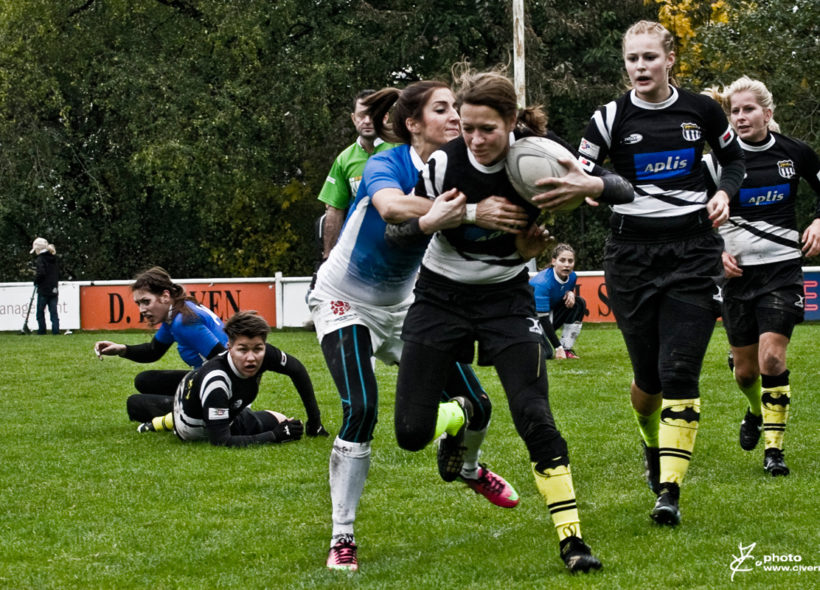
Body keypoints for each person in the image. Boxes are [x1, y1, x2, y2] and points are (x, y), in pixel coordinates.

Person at [388, 67, 633, 573]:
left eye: (487, 129)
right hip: (440, 298)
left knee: (534, 414)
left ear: (513, 122)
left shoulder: (542, 155)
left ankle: (573, 541)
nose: (475, 140)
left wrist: (588, 184)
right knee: (410, 433)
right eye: (466, 127)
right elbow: (399, 235)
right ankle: (459, 420)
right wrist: (449, 216)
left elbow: (623, 190)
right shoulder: (441, 165)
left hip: (507, 300)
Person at [308, 80, 523, 572]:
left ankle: (467, 469)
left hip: (406, 307)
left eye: (458, 110)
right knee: (361, 407)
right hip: (345, 300)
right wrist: (470, 211)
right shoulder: (389, 160)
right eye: (443, 109)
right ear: (413, 124)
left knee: (479, 405)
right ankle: (343, 536)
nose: (455, 118)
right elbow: (391, 208)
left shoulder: (461, 167)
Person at [577, 20, 745, 525]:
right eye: (633, 59)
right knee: (648, 378)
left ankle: (669, 490)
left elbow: (734, 162)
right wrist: (603, 185)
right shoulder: (608, 118)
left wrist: (723, 192)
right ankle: (653, 450)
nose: (641, 67)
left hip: (693, 251)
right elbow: (581, 177)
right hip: (630, 256)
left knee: (679, 370)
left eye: (650, 57)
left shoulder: (703, 110)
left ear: (670, 58)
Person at [703, 76, 820, 476]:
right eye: (734, 111)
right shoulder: (716, 162)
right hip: (736, 280)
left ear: (767, 113)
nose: (740, 117)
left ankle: (775, 451)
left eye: (748, 109)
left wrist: (819, 221)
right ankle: (754, 410)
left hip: (783, 271)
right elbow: (692, 219)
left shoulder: (795, 153)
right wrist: (717, 253)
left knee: (773, 357)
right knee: (746, 371)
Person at [94, 267, 230, 427]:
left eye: (146, 301)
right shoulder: (176, 313)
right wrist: (121, 349)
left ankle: (191, 414)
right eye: (138, 304)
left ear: (165, 296)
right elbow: (153, 351)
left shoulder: (182, 322)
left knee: (135, 404)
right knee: (144, 380)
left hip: (221, 391)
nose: (142, 310)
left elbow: (225, 362)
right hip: (212, 381)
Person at [172, 310, 325, 446]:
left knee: (282, 419)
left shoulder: (265, 354)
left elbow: (297, 369)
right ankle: (161, 422)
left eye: (258, 348)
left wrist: (314, 421)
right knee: (272, 426)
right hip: (193, 427)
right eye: (242, 349)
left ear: (264, 345)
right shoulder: (216, 381)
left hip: (223, 406)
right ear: (229, 347)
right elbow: (220, 441)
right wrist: (274, 436)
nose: (251, 357)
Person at [317, 89, 397, 261]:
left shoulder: (401, 150)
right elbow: (334, 210)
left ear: (384, 117)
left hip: (399, 248)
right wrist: (327, 257)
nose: (367, 121)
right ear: (354, 119)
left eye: (373, 114)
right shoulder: (343, 160)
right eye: (361, 116)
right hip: (357, 252)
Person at [530, 243, 586, 359]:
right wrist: (557, 347)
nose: (567, 265)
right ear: (554, 261)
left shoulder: (572, 277)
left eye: (570, 261)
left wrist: (570, 293)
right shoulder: (543, 283)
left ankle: (567, 349)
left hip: (546, 317)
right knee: (547, 354)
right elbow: (543, 318)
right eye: (562, 260)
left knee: (579, 302)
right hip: (529, 321)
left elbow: (564, 292)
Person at [30, 237, 60, 335]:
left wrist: (36, 281)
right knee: (53, 312)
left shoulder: (40, 259)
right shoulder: (53, 258)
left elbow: (41, 273)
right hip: (54, 288)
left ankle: (42, 331)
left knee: (40, 312)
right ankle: (56, 331)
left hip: (43, 289)